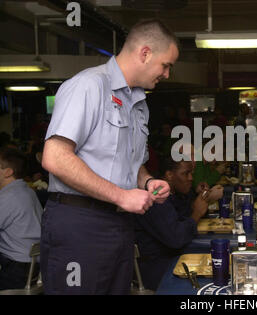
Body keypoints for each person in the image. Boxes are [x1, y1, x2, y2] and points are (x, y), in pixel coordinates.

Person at [40, 19, 178, 294]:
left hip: (118, 225)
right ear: (145, 53)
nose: (167, 75)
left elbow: (131, 163)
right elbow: (54, 158)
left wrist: (147, 181)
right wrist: (121, 196)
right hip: (78, 225)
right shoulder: (88, 86)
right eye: (166, 65)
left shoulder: (139, 104)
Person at [134, 157, 209, 290]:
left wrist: (197, 198)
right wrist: (196, 214)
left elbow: (182, 217)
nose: (191, 178)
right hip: (157, 267)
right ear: (169, 175)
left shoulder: (175, 194)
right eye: (186, 173)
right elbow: (177, 238)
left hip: (173, 257)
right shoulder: (156, 196)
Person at [0, 147, 43, 290]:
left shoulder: (8, 197)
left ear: (8, 172)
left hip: (17, 268)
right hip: (36, 265)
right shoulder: (27, 191)